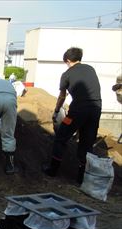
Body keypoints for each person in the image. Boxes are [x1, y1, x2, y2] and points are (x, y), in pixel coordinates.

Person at [43, 47, 102, 184]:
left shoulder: (67, 74)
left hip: (78, 110)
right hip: (96, 109)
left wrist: (57, 110)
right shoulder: (90, 69)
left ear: (68, 60)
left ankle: (52, 170)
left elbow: (62, 95)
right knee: (87, 142)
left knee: (61, 137)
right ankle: (81, 178)